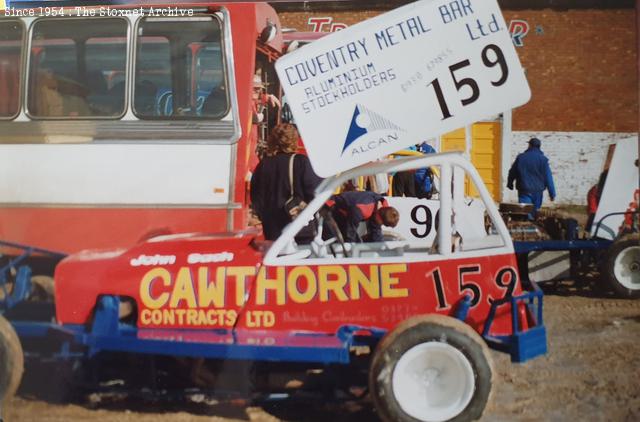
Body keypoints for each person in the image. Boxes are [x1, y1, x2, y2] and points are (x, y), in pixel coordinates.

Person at [250, 123, 322, 241]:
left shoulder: (263, 165)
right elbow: (315, 192)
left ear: (272, 140)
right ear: (294, 140)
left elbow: (256, 198)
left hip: (272, 229)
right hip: (298, 228)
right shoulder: (301, 162)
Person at [325, 191, 400, 243]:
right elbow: (350, 233)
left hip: (348, 214)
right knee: (335, 242)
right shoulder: (363, 209)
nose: (382, 225)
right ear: (379, 216)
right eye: (383, 224)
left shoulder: (382, 206)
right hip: (330, 208)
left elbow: (376, 231)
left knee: (358, 243)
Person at [507, 137, 556, 212]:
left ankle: (527, 222)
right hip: (538, 190)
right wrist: (552, 193)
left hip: (524, 189)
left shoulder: (521, 157)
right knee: (535, 212)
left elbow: (512, 171)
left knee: (525, 211)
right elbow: (548, 177)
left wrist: (510, 184)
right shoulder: (543, 160)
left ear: (530, 145)